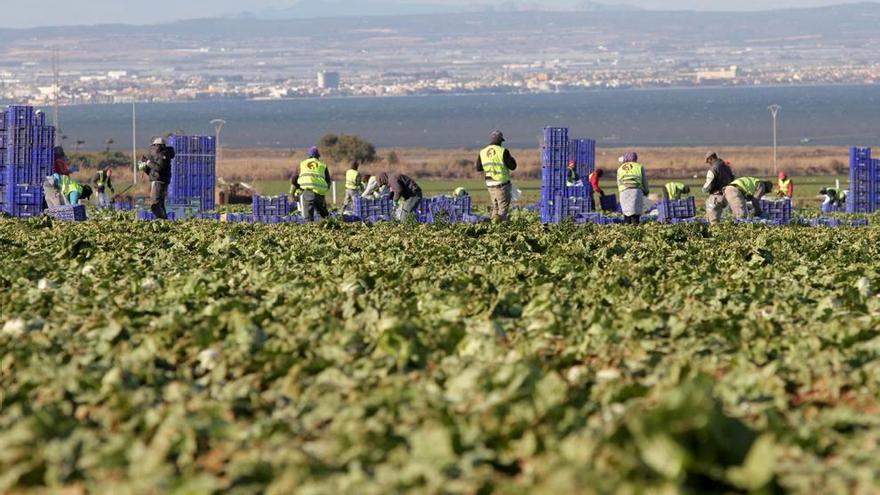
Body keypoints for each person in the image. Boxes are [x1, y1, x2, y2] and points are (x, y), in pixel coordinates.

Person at [476, 130, 517, 222]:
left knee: (495, 207)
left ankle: (492, 227)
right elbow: (513, 166)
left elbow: (479, 168)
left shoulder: (482, 152)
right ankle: (499, 227)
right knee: (502, 209)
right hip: (501, 184)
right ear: (500, 141)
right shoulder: (503, 151)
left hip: (490, 184)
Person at [291, 147, 332, 222]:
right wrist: (324, 191)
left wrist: (292, 193)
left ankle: (310, 229)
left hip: (307, 192)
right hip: (320, 192)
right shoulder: (322, 165)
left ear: (309, 156)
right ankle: (331, 224)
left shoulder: (302, 164)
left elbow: (294, 179)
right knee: (323, 213)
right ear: (318, 156)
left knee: (308, 216)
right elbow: (328, 181)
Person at [138, 137, 175, 220]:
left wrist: (148, 162)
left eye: (155, 146)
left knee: (155, 205)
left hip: (159, 182)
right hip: (158, 181)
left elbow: (159, 168)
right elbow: (155, 173)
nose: (153, 148)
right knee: (160, 204)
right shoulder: (160, 155)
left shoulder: (163, 155)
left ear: (160, 146)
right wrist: (145, 169)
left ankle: (162, 221)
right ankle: (164, 221)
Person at [703, 151, 736, 225]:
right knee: (718, 218)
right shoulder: (726, 167)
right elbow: (732, 178)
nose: (708, 163)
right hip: (725, 196)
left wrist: (704, 189)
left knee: (713, 221)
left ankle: (715, 234)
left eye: (708, 161)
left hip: (716, 197)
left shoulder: (714, 169)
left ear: (711, 158)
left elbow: (709, 185)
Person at [616, 152, 649, 225]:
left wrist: (621, 192)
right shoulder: (639, 166)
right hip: (636, 191)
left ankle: (626, 229)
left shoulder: (620, 168)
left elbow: (618, 182)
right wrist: (646, 191)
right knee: (635, 214)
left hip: (624, 191)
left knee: (626, 214)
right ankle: (635, 229)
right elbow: (644, 181)